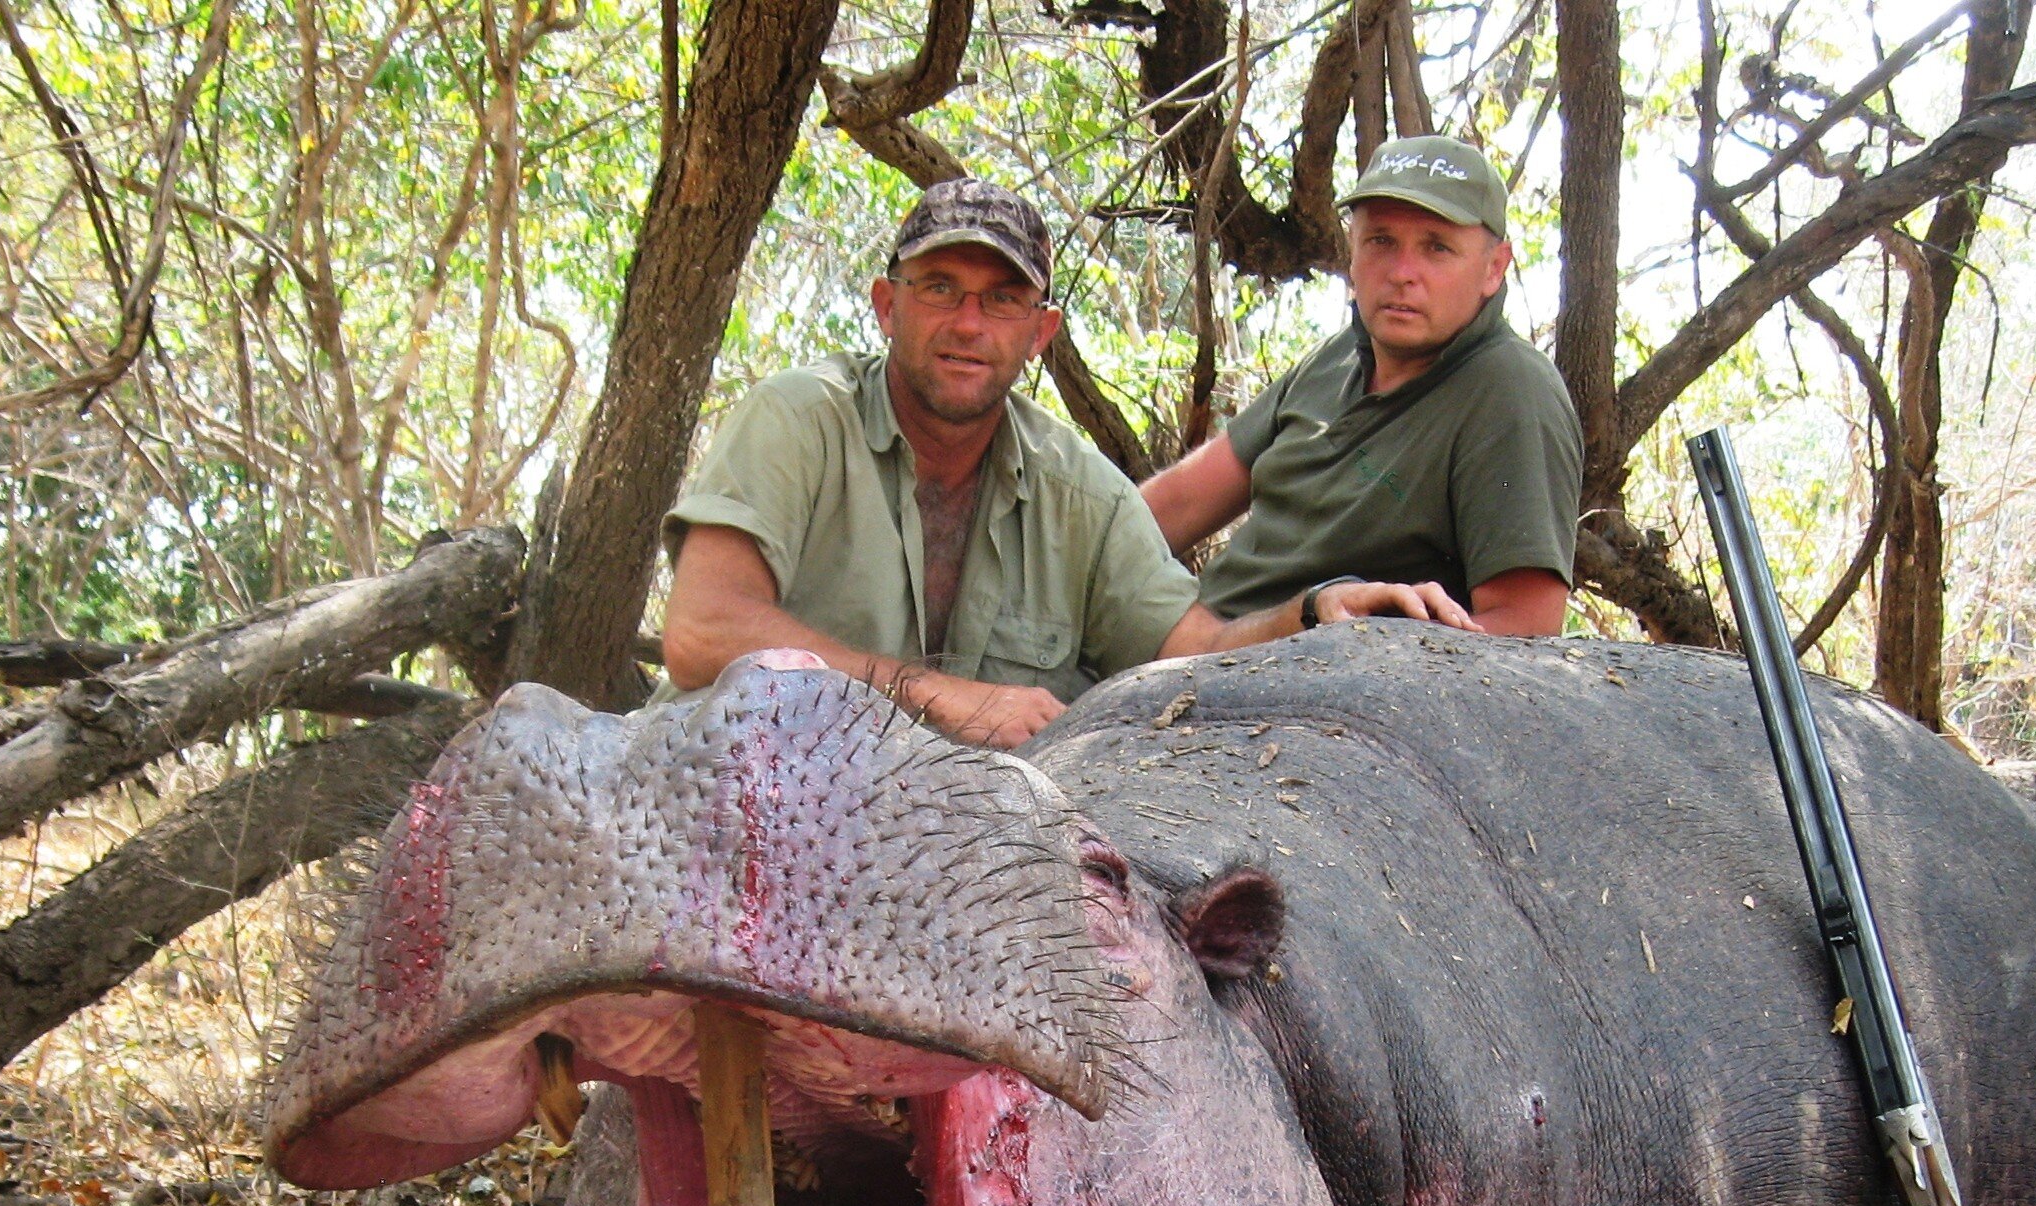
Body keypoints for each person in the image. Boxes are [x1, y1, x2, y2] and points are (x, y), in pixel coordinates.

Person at [662, 180, 1475, 750]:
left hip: (907, 864)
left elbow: (1195, 651)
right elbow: (701, 631)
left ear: (1040, 332)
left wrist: (1314, 615)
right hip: (718, 803)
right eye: (940, 288)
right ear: (887, 305)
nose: (968, 324)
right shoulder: (799, 419)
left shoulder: (1077, 489)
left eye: (1002, 300)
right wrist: (935, 695)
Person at [1142, 135, 1581, 639]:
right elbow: (1178, 504)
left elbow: (1522, 630)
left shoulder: (1510, 391)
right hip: (1183, 642)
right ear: (1351, 251)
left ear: (1494, 268)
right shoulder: (1337, 356)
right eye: (1381, 241)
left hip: (1296, 686)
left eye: (1437, 247)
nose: (1401, 274)